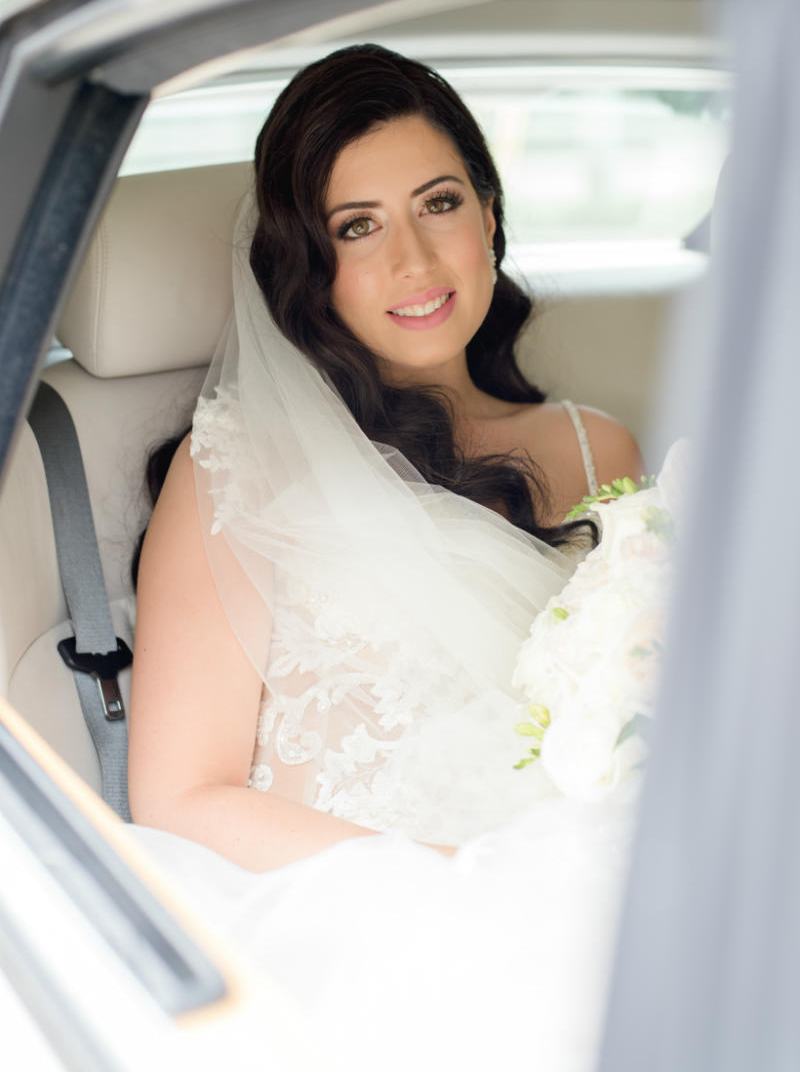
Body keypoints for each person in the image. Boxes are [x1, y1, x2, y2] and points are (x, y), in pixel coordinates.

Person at [128, 43, 644, 876]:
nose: (414, 261)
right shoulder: (236, 468)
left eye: (437, 204)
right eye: (357, 226)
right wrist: (477, 877)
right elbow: (181, 800)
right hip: (365, 912)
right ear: (313, 265)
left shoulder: (601, 448)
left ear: (490, 217)